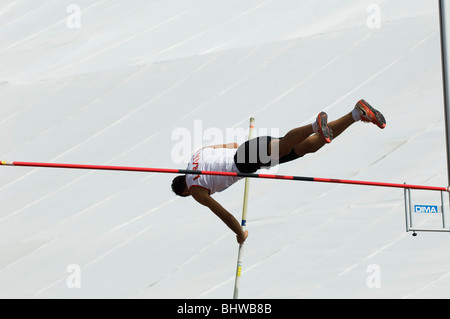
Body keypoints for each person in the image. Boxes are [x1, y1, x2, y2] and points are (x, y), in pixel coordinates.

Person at [171, 99, 386, 244]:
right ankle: (357, 113)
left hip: (245, 162)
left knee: (286, 145)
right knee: (310, 147)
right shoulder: (195, 155)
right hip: (247, 152)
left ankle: (315, 125)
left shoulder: (196, 190)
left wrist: (240, 234)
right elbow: (229, 146)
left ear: (185, 192)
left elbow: (225, 216)